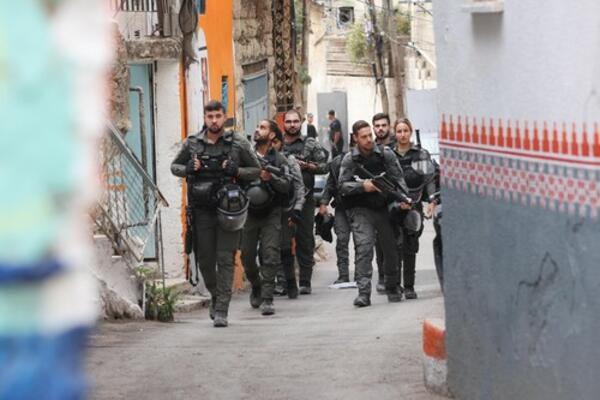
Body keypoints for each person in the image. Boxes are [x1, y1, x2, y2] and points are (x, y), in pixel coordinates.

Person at [171, 100, 261, 327]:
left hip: (228, 209)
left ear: (224, 117)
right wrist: (188, 169)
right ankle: (216, 294)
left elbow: (256, 171)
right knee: (205, 260)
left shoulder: (237, 143)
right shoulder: (192, 143)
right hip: (202, 210)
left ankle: (222, 309)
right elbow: (175, 167)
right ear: (205, 117)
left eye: (218, 116)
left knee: (226, 258)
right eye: (210, 116)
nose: (214, 120)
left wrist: (237, 171)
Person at [338, 120, 410, 307]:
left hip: (385, 208)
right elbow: (342, 186)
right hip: (361, 209)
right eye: (364, 137)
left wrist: (402, 200)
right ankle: (363, 293)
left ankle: (393, 286)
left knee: (391, 249)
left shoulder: (385, 155)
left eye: (370, 135)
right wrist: (364, 186)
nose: (369, 139)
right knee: (363, 248)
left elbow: (398, 179)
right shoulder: (350, 160)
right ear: (355, 138)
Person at [241, 120, 292, 316]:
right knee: (246, 255)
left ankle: (268, 298)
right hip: (249, 212)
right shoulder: (247, 156)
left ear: (272, 136)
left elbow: (287, 185)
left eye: (262, 127)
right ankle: (256, 285)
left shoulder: (280, 160)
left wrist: (271, 178)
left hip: (272, 212)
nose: (257, 129)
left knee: (270, 254)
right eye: (257, 126)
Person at [282, 109, 328, 294]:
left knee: (305, 239)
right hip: (282, 199)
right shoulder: (277, 144)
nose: (292, 125)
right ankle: (284, 280)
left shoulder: (309, 144)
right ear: (283, 123)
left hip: (306, 198)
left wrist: (308, 166)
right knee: (281, 240)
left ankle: (305, 281)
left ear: (301, 123)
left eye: (295, 121)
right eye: (288, 121)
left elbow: (325, 166)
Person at [391, 118, 437, 300]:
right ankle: (394, 285)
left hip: (414, 203)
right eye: (399, 131)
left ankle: (409, 286)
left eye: (405, 131)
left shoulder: (420, 154)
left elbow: (429, 179)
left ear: (410, 132)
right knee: (395, 245)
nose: (402, 134)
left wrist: (432, 201)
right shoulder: (389, 155)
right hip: (394, 204)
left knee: (410, 244)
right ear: (395, 133)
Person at [272, 132, 306, 298]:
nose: (272, 145)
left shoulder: (289, 161)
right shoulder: (258, 160)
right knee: (269, 249)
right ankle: (278, 283)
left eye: (275, 141)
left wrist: (297, 209)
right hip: (266, 211)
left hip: (286, 210)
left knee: (285, 248)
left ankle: (291, 284)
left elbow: (299, 187)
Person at [319, 139, 353, 284]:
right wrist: (323, 203)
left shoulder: (363, 161)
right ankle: (343, 275)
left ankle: (362, 274)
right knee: (342, 240)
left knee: (362, 243)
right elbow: (330, 184)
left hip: (360, 208)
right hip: (341, 208)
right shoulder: (336, 163)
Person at [372, 112, 395, 293]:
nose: (380, 129)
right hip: (378, 202)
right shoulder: (369, 148)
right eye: (377, 126)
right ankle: (382, 276)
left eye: (383, 125)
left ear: (389, 126)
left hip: (397, 199)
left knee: (401, 241)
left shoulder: (396, 147)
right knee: (380, 241)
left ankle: (398, 278)